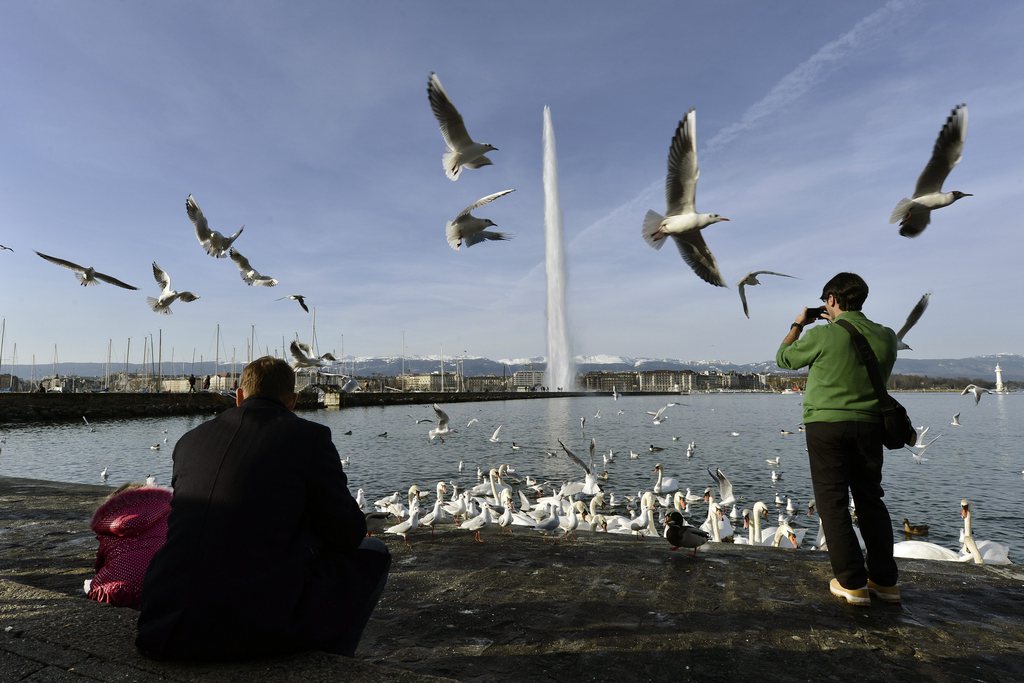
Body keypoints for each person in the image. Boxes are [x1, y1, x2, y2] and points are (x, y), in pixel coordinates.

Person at [136, 356, 390, 660]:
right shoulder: (310, 438)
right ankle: (330, 660)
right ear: (293, 401)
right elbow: (347, 533)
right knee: (374, 552)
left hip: (162, 624)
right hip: (245, 631)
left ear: (240, 395)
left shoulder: (190, 440)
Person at [776, 272, 900, 606]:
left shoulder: (825, 335)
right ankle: (886, 583)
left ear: (831, 300)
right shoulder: (887, 336)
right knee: (871, 500)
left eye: (826, 301)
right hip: (871, 425)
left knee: (832, 502)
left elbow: (784, 359)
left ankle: (852, 583)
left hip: (826, 425)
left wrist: (799, 323)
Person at [86, 482, 172, 609]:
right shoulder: (167, 516)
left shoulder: (109, 525)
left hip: (120, 590)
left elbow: (100, 563)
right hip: (166, 586)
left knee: (90, 586)